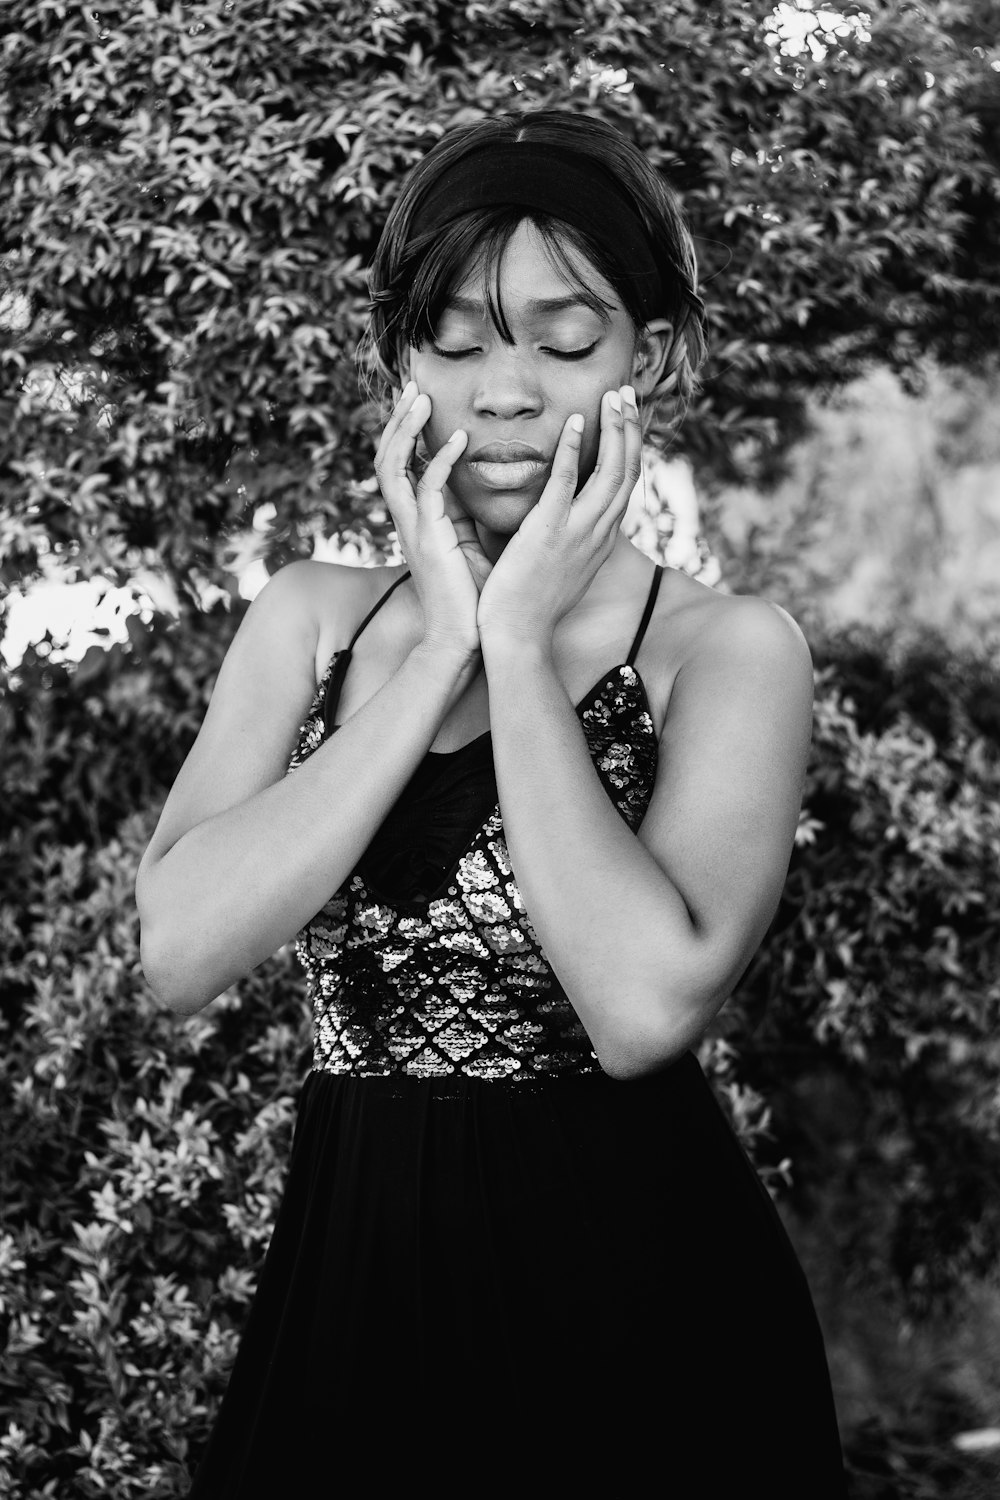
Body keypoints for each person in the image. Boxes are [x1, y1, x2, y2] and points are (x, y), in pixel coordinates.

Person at [136, 109, 847, 1496]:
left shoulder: (723, 650)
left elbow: (644, 1012)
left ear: (657, 352)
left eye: (564, 342)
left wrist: (518, 653)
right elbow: (180, 951)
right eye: (454, 344)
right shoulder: (314, 623)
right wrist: (439, 653)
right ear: (400, 367)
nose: (503, 391)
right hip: (351, 1297)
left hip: (640, 1313)